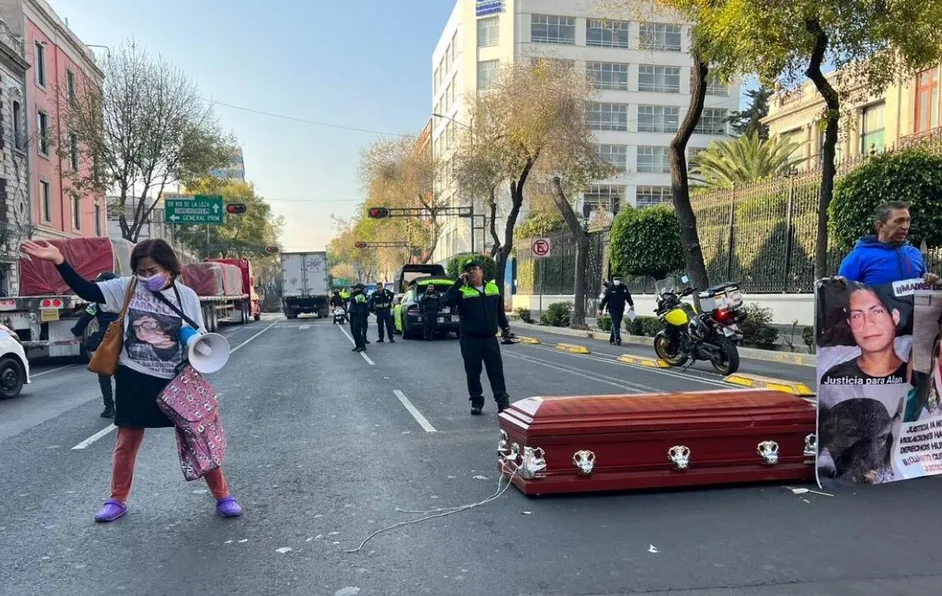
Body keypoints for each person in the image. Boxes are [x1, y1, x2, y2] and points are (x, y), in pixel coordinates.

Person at [20, 238, 242, 523]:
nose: (146, 276)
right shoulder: (125, 287)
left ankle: (223, 496)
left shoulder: (186, 296)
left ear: (169, 267)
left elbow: (195, 334)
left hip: (174, 380)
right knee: (126, 442)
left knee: (199, 438)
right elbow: (86, 290)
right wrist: (60, 261)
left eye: (153, 270)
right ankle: (116, 500)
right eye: (141, 271)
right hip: (133, 376)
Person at [442, 258, 512, 415]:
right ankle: (476, 400)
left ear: (482, 271)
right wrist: (458, 282)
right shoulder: (462, 290)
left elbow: (499, 312)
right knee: (473, 371)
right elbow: (446, 301)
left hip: (490, 339)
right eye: (468, 269)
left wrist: (505, 328)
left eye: (475, 268)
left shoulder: (493, 288)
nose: (472, 271)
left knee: (496, 370)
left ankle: (502, 401)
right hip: (470, 339)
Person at [820, 284, 906, 384]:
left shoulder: (914, 376)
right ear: (849, 323)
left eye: (877, 311)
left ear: (895, 317)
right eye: (857, 316)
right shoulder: (835, 378)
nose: (868, 323)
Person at [838, 201, 939, 285]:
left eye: (908, 221)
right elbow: (842, 294)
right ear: (880, 226)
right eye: (899, 221)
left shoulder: (914, 253)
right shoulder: (857, 257)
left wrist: (928, 279)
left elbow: (922, 281)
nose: (905, 227)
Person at [71, 271, 119, 418]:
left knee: (104, 375)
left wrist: (76, 331)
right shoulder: (124, 300)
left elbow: (85, 319)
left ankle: (109, 407)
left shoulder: (97, 304)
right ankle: (125, 405)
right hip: (123, 341)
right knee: (123, 376)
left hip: (105, 342)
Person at [599, 275, 634, 346]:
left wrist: (631, 305)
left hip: (621, 308)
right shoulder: (610, 288)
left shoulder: (623, 288)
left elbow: (628, 297)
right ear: (613, 281)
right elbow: (604, 300)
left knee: (615, 324)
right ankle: (617, 338)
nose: (617, 281)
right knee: (616, 323)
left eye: (618, 280)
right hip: (612, 309)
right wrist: (600, 309)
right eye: (615, 280)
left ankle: (612, 338)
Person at [348, 282, 370, 352]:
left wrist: (352, 295)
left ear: (359, 289)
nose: (353, 289)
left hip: (358, 315)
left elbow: (353, 300)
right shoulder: (355, 294)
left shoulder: (361, 295)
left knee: (357, 331)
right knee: (353, 331)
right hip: (353, 314)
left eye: (355, 288)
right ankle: (358, 345)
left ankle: (362, 346)